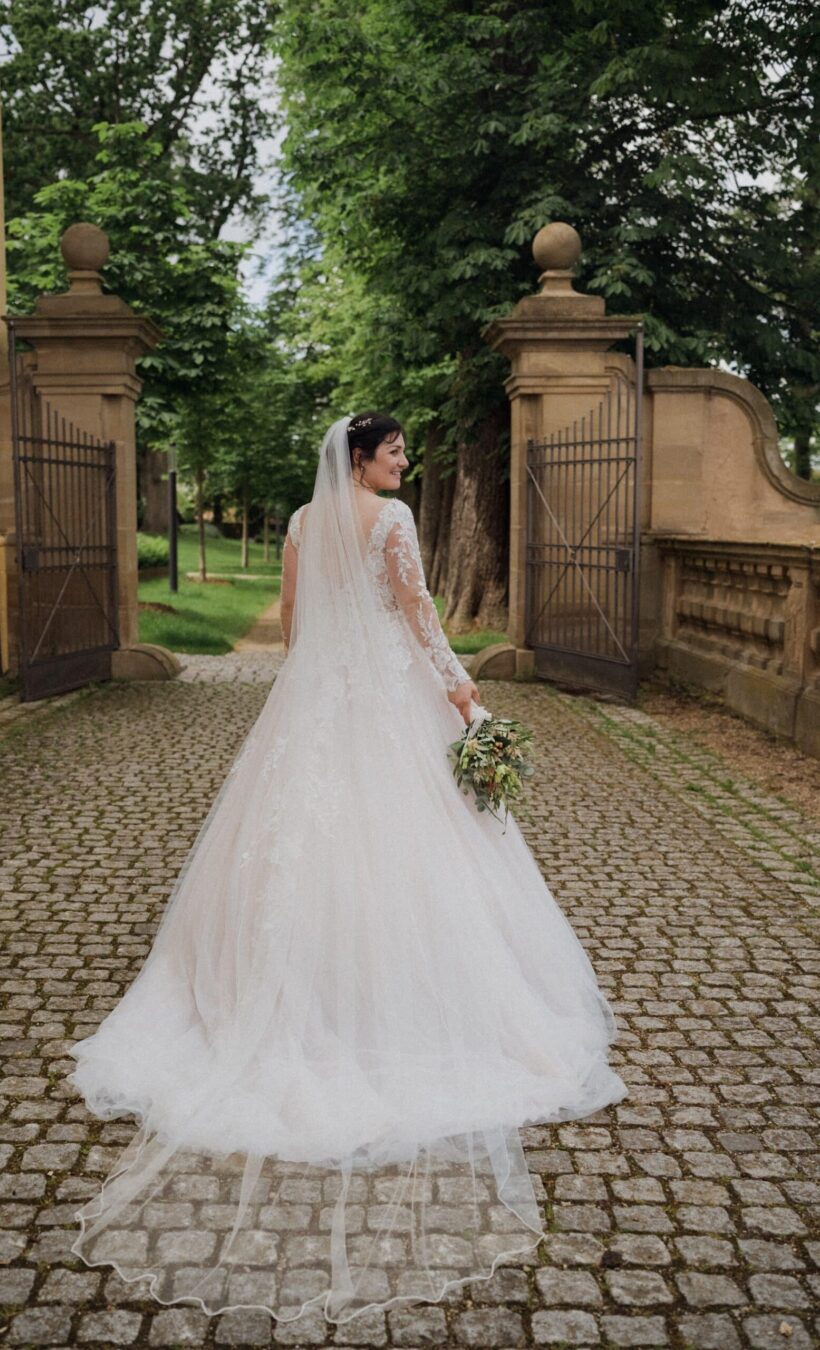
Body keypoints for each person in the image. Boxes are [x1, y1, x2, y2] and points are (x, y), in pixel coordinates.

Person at [68, 412, 626, 1325]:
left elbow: (295, 619)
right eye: (394, 451)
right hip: (386, 697)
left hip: (317, 697)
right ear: (360, 461)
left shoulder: (301, 520)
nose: (404, 461)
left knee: (292, 841)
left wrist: (312, 689)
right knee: (414, 841)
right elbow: (417, 614)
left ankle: (288, 993)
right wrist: (459, 688)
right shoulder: (391, 521)